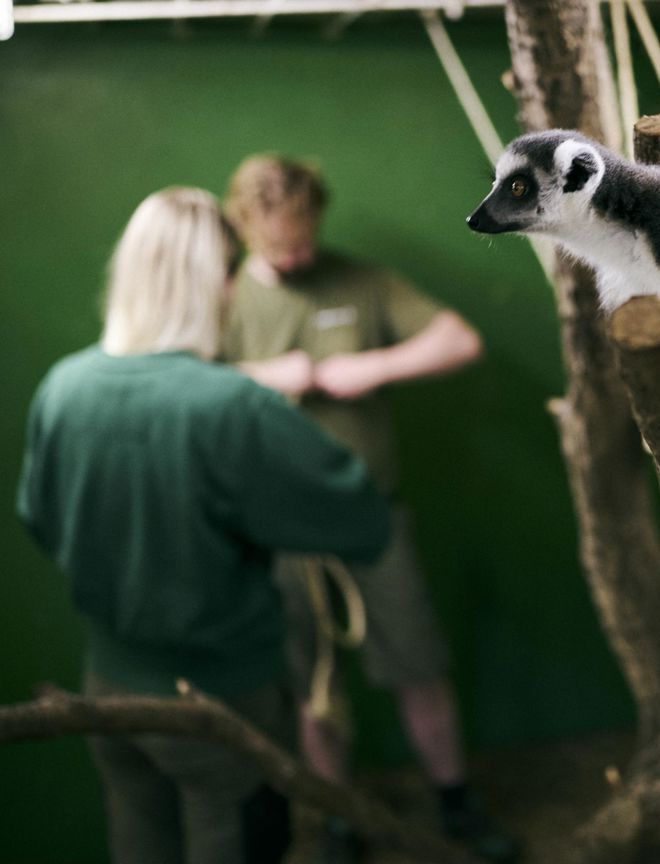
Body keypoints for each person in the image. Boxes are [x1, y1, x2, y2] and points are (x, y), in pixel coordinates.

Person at [15, 187, 393, 864]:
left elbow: (39, 520)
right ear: (215, 280)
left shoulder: (62, 387)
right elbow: (361, 518)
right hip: (221, 705)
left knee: (140, 845)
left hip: (109, 692)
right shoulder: (229, 406)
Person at [221, 154, 517, 862]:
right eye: (279, 246)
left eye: (304, 239)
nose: (296, 256)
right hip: (276, 528)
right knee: (313, 686)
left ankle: (455, 803)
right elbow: (175, 379)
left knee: (419, 664)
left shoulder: (359, 279)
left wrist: (374, 366)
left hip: (370, 515)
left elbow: (460, 340)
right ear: (244, 228)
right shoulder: (222, 299)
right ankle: (339, 820)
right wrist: (264, 378)